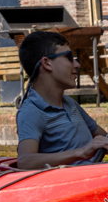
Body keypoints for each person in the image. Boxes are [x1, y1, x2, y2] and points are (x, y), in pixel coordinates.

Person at [15, 31, 108, 169]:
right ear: (47, 63)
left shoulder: (71, 104)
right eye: (69, 57)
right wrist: (81, 152)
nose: (76, 64)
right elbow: (25, 161)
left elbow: (105, 139)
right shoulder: (31, 111)